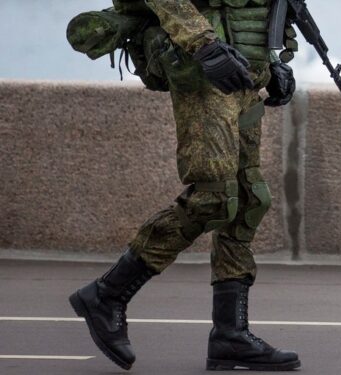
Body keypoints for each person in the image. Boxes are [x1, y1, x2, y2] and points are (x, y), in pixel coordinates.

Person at [68, 0, 300, 371]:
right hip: (202, 67)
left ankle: (230, 335)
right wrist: (204, 45)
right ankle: (108, 294)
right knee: (213, 198)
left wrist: (272, 65)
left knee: (246, 198)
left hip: (243, 70)